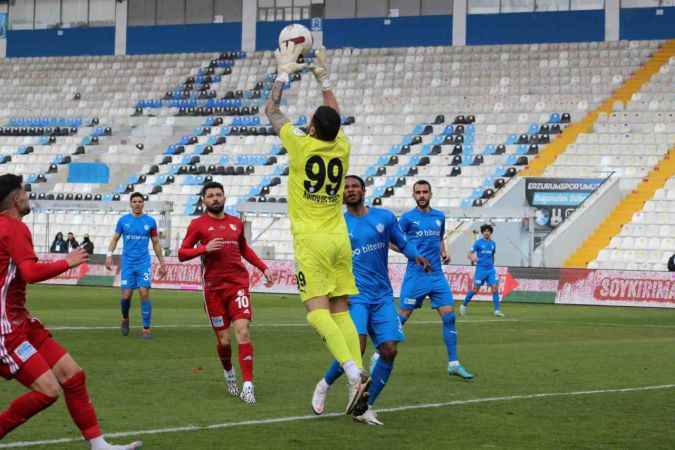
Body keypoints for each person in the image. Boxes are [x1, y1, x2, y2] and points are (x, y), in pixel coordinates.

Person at [264, 42, 369, 416]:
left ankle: (353, 371)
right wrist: (323, 77)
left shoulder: (301, 145)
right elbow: (334, 115)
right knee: (341, 310)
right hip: (340, 236)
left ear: (310, 126)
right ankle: (359, 377)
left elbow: (271, 110)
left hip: (311, 240)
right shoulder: (342, 147)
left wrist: (283, 72)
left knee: (315, 311)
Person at [0, 174, 141, 449]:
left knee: (72, 375)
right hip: (6, 327)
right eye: (25, 192)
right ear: (17, 198)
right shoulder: (13, 228)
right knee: (48, 390)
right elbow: (29, 272)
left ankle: (99, 445)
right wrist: (68, 262)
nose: (28, 196)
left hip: (22, 321)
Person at [312, 175, 430, 425]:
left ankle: (364, 406)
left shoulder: (384, 218)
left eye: (355, 186)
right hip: (353, 296)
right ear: (341, 195)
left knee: (389, 350)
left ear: (364, 191)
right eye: (346, 188)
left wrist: (416, 255)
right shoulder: (337, 225)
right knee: (358, 347)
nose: (351, 190)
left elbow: (403, 243)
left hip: (382, 296)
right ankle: (324, 384)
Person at [178, 181, 273, 405]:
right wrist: (204, 248)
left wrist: (264, 268)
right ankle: (229, 373)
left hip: (238, 285)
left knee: (243, 330)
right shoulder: (198, 225)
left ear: (224, 197)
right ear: (203, 200)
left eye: (218, 195)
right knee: (224, 340)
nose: (215, 198)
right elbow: (182, 253)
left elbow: (245, 250)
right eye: (210, 195)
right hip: (213, 289)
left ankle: (248, 385)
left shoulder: (235, 223)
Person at [393, 180, 474, 380]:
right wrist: (411, 255)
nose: (422, 195)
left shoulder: (439, 216)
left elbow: (439, 238)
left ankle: (453, 364)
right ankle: (379, 355)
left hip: (437, 275)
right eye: (418, 192)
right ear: (413, 195)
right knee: (401, 317)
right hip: (416, 275)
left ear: (430, 194)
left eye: (425, 192)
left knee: (449, 316)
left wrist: (444, 252)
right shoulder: (407, 218)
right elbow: (392, 242)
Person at [105, 192, 167, 339]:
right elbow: (115, 239)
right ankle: (125, 318)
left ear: (143, 203)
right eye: (134, 201)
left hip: (143, 262)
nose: (137, 203)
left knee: (144, 293)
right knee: (126, 296)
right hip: (127, 263)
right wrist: (108, 255)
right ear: (131, 204)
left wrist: (162, 262)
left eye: (140, 201)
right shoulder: (123, 221)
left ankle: (146, 329)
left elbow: (156, 243)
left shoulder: (150, 222)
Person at [461, 224, 504, 317]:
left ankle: (497, 311)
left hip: (490, 270)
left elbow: (492, 255)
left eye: (488, 231)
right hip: (480, 269)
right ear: (482, 232)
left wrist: (492, 264)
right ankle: (464, 305)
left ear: (490, 232)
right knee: (475, 289)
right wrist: (474, 259)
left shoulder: (493, 243)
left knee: (495, 288)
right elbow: (469, 254)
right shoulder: (478, 243)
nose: (486, 232)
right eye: (485, 231)